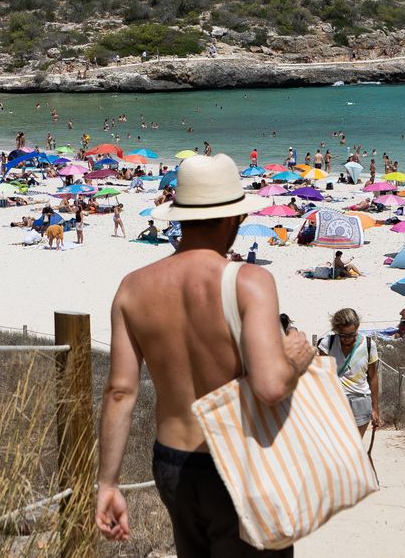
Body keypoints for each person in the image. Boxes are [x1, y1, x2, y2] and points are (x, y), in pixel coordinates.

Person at [96, 154, 313, 555]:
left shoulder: (133, 288)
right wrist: (297, 356)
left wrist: (107, 484)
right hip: (239, 462)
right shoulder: (250, 282)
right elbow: (270, 386)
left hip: (173, 464)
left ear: (180, 217)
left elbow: (120, 393)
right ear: (236, 220)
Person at [316, 308, 380, 436]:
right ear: (336, 330)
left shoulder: (369, 345)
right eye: (342, 335)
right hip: (334, 401)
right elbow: (321, 377)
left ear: (357, 327)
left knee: (355, 446)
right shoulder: (327, 344)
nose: (347, 339)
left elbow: (373, 378)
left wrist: (375, 409)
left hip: (360, 400)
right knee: (336, 445)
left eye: (352, 335)